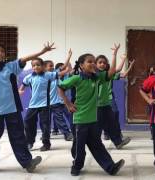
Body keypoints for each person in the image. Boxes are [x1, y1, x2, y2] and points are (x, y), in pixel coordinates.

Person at [0, 41, 53, 175]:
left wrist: (42, 52)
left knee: (18, 137)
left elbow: (25, 58)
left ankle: (27, 162)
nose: (0, 53)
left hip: (13, 110)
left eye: (2, 51)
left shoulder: (11, 66)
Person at [58, 43, 125, 176]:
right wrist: (68, 104)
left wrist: (114, 54)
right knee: (79, 146)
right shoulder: (76, 78)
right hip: (80, 119)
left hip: (93, 118)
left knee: (97, 144)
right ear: (82, 65)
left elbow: (111, 72)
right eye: (90, 61)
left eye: (94, 61)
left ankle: (110, 167)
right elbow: (60, 87)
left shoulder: (97, 77)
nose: (93, 63)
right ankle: (76, 166)